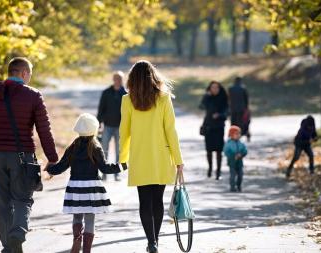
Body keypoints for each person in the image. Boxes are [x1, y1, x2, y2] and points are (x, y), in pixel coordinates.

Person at [0, 57, 58, 253]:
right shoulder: (33, 96)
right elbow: (44, 129)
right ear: (24, 73)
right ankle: (17, 234)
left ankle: (9, 247)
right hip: (22, 156)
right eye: (30, 74)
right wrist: (52, 158)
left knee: (3, 203)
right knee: (23, 199)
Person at [119, 60, 184, 253]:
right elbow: (171, 131)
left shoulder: (127, 100)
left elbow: (125, 131)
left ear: (132, 79)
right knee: (157, 200)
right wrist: (178, 160)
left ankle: (151, 242)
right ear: (153, 76)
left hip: (139, 157)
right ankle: (155, 240)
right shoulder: (164, 98)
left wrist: (122, 158)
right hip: (161, 156)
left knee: (144, 201)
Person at [46, 113, 126, 253]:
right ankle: (87, 250)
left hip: (75, 188)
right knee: (90, 220)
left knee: (77, 217)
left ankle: (77, 240)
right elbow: (105, 168)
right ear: (94, 130)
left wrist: (49, 169)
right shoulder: (96, 148)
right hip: (91, 189)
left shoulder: (73, 147)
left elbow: (61, 166)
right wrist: (122, 166)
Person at [97, 71, 127, 181]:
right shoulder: (106, 92)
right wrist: (98, 123)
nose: (118, 81)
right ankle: (104, 172)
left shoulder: (125, 94)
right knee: (104, 150)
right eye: (116, 78)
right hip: (107, 126)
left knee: (119, 151)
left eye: (120, 79)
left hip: (120, 127)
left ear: (122, 80)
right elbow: (101, 108)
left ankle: (116, 173)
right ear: (113, 79)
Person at [199, 81, 228, 180]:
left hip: (219, 127)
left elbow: (227, 112)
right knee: (209, 150)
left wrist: (219, 115)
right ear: (209, 89)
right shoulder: (208, 98)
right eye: (212, 87)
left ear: (219, 89)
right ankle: (210, 168)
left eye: (216, 87)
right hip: (208, 127)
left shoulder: (223, 98)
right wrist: (206, 96)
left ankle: (218, 171)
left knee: (219, 150)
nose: (214, 89)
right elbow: (201, 106)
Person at [224, 126, 248, 192]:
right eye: (236, 134)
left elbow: (245, 150)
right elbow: (226, 152)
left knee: (240, 174)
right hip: (232, 162)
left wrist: (242, 154)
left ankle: (239, 185)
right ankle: (232, 186)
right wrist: (232, 156)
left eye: (239, 134)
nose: (238, 135)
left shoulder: (241, 143)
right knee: (233, 175)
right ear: (231, 135)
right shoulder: (228, 144)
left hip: (239, 161)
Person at [228, 77, 251, 142]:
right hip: (242, 109)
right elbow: (246, 99)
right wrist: (247, 108)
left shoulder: (231, 88)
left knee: (233, 123)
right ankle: (245, 134)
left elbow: (229, 99)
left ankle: (232, 136)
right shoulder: (243, 88)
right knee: (243, 123)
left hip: (233, 109)